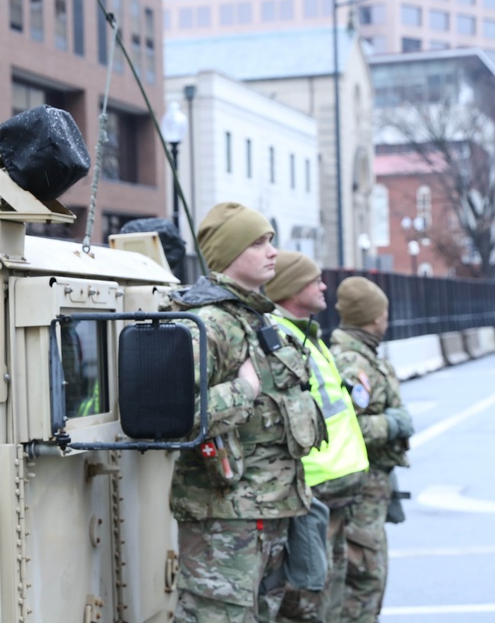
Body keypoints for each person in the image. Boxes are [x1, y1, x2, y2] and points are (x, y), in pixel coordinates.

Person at [170, 202, 327, 622]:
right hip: (225, 524)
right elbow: (172, 414)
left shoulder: (258, 320)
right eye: (258, 243)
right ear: (228, 253)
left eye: (271, 240)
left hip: (270, 514)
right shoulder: (207, 324)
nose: (272, 251)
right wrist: (243, 390)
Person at [262, 252, 370, 623]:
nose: (325, 287)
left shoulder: (307, 336)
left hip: (331, 489)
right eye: (315, 280)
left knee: (330, 598)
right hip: (312, 492)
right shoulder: (280, 337)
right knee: (306, 604)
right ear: (292, 288)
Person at [329, 277, 414, 623]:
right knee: (361, 585)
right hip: (357, 492)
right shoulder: (353, 363)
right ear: (376, 316)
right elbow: (346, 428)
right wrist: (393, 425)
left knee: (370, 580)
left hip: (371, 489)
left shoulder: (364, 356)